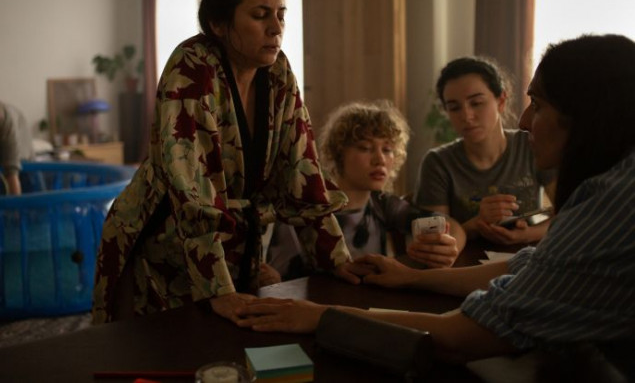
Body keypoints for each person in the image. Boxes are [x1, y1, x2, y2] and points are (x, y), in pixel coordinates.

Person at [236, 34, 635, 379]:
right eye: (454, 106)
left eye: (540, 105)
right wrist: (413, 277)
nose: (527, 119)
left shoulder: (611, 204)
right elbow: (530, 265)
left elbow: (461, 336)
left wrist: (320, 315)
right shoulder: (612, 184)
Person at [92, 0, 361, 326]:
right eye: (260, 15)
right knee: (165, 349)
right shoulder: (192, 67)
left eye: (281, 15)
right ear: (218, 24)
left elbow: (303, 170)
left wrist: (337, 261)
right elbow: (192, 191)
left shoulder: (278, 72)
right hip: (161, 241)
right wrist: (218, 290)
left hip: (231, 244)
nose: (276, 28)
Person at [265, 100, 466, 282]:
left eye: (387, 150)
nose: (380, 160)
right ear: (338, 153)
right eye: (365, 148)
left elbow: (450, 225)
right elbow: (280, 278)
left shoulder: (382, 203)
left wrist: (448, 247)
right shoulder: (306, 204)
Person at [414, 56, 555, 245]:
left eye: (476, 103)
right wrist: (477, 223)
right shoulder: (437, 163)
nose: (466, 116)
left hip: (525, 255)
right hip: (463, 260)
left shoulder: (530, 144)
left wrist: (528, 234)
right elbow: (435, 240)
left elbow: (568, 212)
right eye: (454, 108)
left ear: (501, 101)